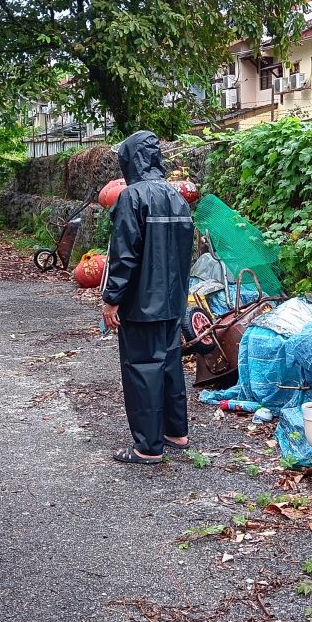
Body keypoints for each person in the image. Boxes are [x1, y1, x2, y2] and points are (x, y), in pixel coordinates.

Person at [101, 130, 195, 465]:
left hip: (142, 303)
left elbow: (124, 255)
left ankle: (147, 447)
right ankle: (175, 432)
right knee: (169, 364)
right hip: (172, 300)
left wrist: (112, 298)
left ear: (130, 159)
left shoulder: (132, 197)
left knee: (143, 368)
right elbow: (185, 251)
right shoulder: (176, 196)